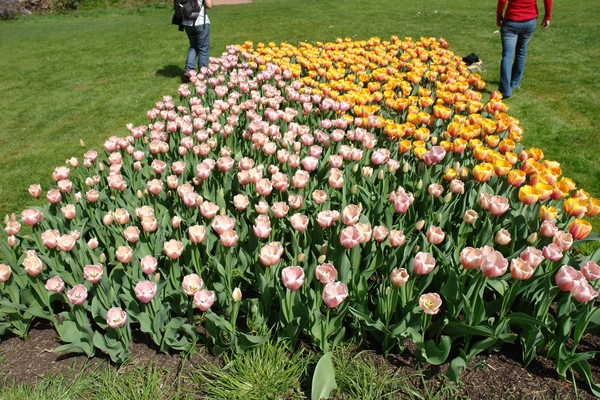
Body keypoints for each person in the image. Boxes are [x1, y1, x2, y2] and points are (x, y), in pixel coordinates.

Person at [496, 0, 552, 99]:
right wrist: (547, 16)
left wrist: (499, 15)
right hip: (530, 21)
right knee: (521, 51)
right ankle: (515, 83)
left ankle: (505, 90)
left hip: (511, 21)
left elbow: (502, 1)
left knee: (507, 55)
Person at [182, 0, 214, 80]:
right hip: (200, 22)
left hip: (186, 22)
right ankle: (203, 74)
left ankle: (189, 69)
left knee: (193, 46)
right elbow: (209, 5)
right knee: (203, 49)